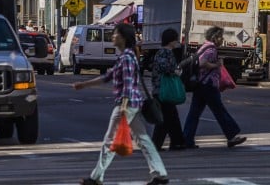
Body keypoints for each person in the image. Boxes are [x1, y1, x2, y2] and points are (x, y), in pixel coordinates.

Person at [73, 23, 168, 185]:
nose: (113, 36)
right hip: (132, 104)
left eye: (115, 34)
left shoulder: (126, 58)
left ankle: (96, 177)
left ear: (123, 38)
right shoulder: (127, 56)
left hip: (126, 104)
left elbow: (128, 84)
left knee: (109, 141)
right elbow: (107, 78)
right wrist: (84, 84)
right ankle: (160, 174)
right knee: (143, 139)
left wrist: (123, 107)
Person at [181, 26, 247, 149]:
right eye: (221, 37)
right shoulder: (211, 49)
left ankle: (187, 139)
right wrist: (216, 65)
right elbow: (202, 63)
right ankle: (231, 136)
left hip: (201, 85)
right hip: (208, 85)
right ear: (215, 37)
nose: (222, 40)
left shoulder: (204, 46)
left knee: (194, 113)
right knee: (219, 111)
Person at [151, 28, 186, 152]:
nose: (176, 41)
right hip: (163, 89)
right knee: (168, 117)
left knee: (169, 117)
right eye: (175, 39)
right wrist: (176, 71)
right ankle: (174, 142)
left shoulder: (165, 52)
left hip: (160, 89)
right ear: (170, 40)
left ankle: (175, 142)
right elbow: (164, 67)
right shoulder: (165, 52)